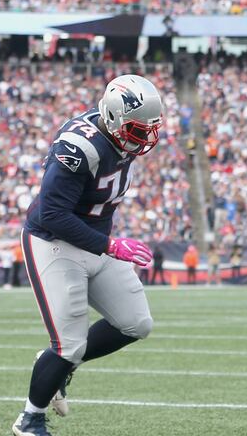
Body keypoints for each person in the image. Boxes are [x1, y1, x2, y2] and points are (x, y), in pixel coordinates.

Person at [12, 74, 164, 436]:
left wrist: (105, 243)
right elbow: (52, 214)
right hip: (54, 242)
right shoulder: (79, 148)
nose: (145, 138)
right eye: (137, 129)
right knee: (68, 344)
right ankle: (30, 419)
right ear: (112, 119)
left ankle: (63, 367)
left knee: (136, 323)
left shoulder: (118, 137)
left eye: (149, 128)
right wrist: (112, 245)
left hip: (95, 241)